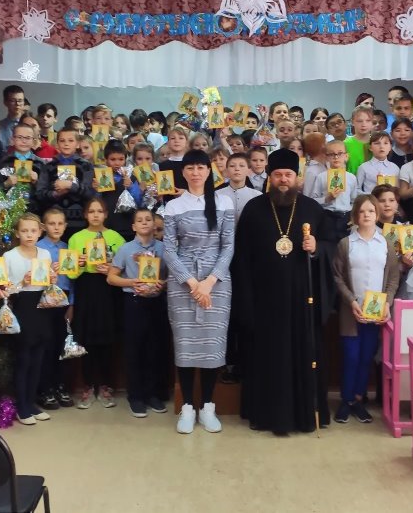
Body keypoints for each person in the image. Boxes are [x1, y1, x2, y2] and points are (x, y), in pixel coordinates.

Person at [233, 148, 334, 435]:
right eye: (277, 175)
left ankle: (303, 416)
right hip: (264, 301)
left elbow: (330, 245)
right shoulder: (254, 209)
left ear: (297, 177)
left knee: (303, 354)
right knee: (267, 357)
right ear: (269, 177)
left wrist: (317, 248)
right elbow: (241, 258)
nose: (283, 180)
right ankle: (265, 415)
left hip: (303, 300)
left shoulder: (312, 209)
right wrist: (246, 301)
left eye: (288, 175)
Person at [163, 149, 235, 434]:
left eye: (201, 167)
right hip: (183, 284)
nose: (195, 173)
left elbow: (228, 246)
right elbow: (169, 250)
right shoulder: (173, 206)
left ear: (209, 171)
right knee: (185, 344)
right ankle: (187, 407)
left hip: (217, 282)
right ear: (183, 172)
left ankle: (207, 406)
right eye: (190, 168)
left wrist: (209, 282)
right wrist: (192, 283)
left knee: (211, 345)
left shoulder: (224, 201)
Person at [332, 195, 400, 424]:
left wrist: (387, 303)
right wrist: (351, 301)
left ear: (377, 214)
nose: (367, 215)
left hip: (376, 312)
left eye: (371, 211)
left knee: (366, 357)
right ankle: (346, 399)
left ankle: (358, 400)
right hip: (351, 310)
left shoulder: (386, 243)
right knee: (350, 356)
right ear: (355, 216)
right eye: (362, 211)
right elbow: (338, 277)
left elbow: (393, 277)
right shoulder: (346, 244)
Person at [108, 209, 170, 418]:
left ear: (154, 224)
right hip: (133, 303)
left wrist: (163, 284)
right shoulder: (126, 249)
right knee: (134, 350)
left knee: (155, 349)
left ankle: (153, 394)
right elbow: (111, 278)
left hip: (157, 303)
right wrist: (131, 282)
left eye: (148, 220)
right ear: (133, 226)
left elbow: (173, 276)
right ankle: (135, 397)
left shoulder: (163, 248)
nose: (144, 223)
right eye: (140, 220)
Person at [68, 198, 126, 409]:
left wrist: (111, 268)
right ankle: (87, 386)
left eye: (99, 211)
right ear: (85, 215)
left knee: (108, 339)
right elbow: (70, 272)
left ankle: (106, 386)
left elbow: (125, 268)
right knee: (86, 338)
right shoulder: (76, 238)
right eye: (91, 211)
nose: (95, 215)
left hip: (109, 291)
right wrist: (80, 264)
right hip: (86, 289)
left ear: (106, 214)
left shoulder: (116, 237)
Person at [0, 213, 57, 425]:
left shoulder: (45, 254)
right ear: (17, 233)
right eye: (24, 231)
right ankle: (21, 405)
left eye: (33, 231)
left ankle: (31, 402)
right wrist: (22, 283)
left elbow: (47, 282)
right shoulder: (9, 256)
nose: (29, 235)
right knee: (24, 358)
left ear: (40, 232)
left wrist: (52, 278)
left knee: (38, 358)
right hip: (22, 306)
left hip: (42, 305)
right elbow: (5, 290)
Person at [35, 207, 73, 410]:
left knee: (61, 346)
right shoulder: (38, 248)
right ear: (43, 227)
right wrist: (48, 271)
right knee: (46, 346)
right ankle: (45, 389)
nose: (56, 227)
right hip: (43, 301)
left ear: (65, 226)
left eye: (60, 224)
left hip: (63, 301)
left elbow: (72, 280)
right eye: (51, 223)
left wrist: (71, 304)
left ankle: (60, 386)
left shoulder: (68, 248)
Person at [35, 128, 95, 236]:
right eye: (62, 141)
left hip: (79, 220)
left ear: (77, 144)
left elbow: (89, 193)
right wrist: (55, 193)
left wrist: (71, 185)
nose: (66, 144)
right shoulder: (48, 166)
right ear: (57, 144)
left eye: (71, 140)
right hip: (54, 222)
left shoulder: (86, 166)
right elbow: (39, 194)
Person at [310, 140, 359, 241]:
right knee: (327, 244)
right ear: (326, 157)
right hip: (327, 216)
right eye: (332, 154)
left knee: (344, 245)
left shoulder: (352, 178)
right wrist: (327, 199)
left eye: (340, 153)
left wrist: (353, 216)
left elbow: (354, 201)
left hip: (345, 218)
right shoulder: (321, 177)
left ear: (346, 156)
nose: (336, 157)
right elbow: (313, 201)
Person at [217, 153, 261, 222]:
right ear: (227, 170)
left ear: (249, 170)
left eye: (241, 166)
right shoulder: (217, 195)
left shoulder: (257, 196)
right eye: (232, 166)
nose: (237, 169)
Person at [343, 107, 373, 174]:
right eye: (359, 121)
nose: (364, 124)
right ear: (352, 122)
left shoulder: (376, 143)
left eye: (368, 121)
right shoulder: (345, 144)